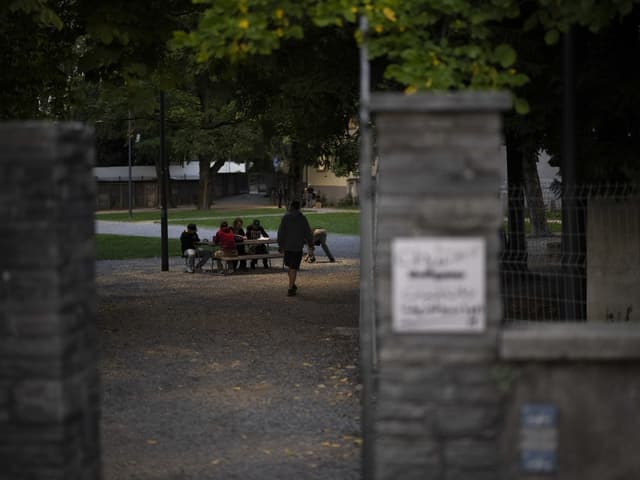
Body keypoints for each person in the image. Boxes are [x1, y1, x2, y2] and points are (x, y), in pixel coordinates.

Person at [277, 200, 314, 296]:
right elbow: (308, 232)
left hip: (287, 246)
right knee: (293, 268)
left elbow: (281, 232)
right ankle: (290, 288)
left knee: (290, 267)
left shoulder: (285, 217)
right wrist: (310, 243)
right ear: (298, 207)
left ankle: (291, 285)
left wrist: (280, 245)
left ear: (291, 207)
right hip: (297, 247)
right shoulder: (302, 219)